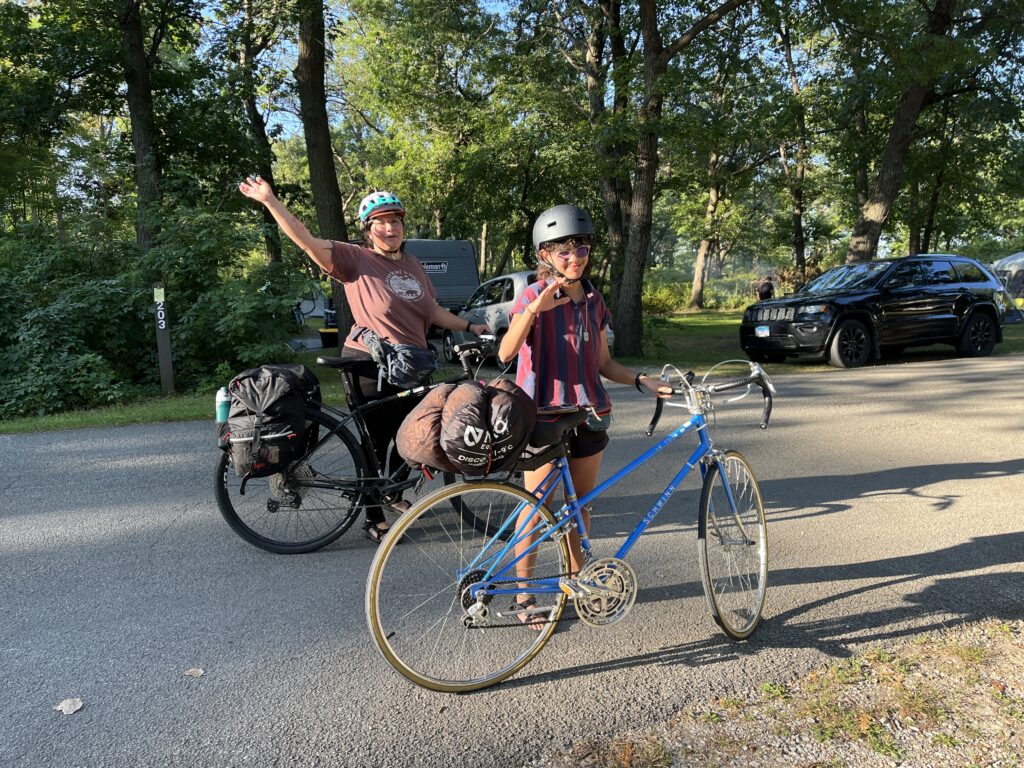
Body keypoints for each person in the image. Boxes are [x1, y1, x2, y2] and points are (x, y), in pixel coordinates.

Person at [238, 177, 488, 543]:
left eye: (395, 221)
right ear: (368, 230)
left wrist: (470, 326)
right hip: (369, 364)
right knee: (376, 440)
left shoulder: (415, 265)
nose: (389, 228)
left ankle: (391, 493)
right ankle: (373, 517)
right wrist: (270, 201)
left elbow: (432, 311)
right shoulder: (356, 258)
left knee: (418, 432)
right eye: (380, 223)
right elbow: (307, 242)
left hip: (412, 363)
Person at [497, 204, 670, 627]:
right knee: (537, 507)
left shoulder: (593, 299)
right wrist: (535, 310)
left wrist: (640, 380)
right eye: (562, 251)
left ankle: (579, 582)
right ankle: (524, 594)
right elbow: (504, 353)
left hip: (590, 414)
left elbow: (604, 364)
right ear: (544, 254)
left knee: (582, 505)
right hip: (543, 416)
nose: (574, 258)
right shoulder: (531, 296)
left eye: (581, 248)